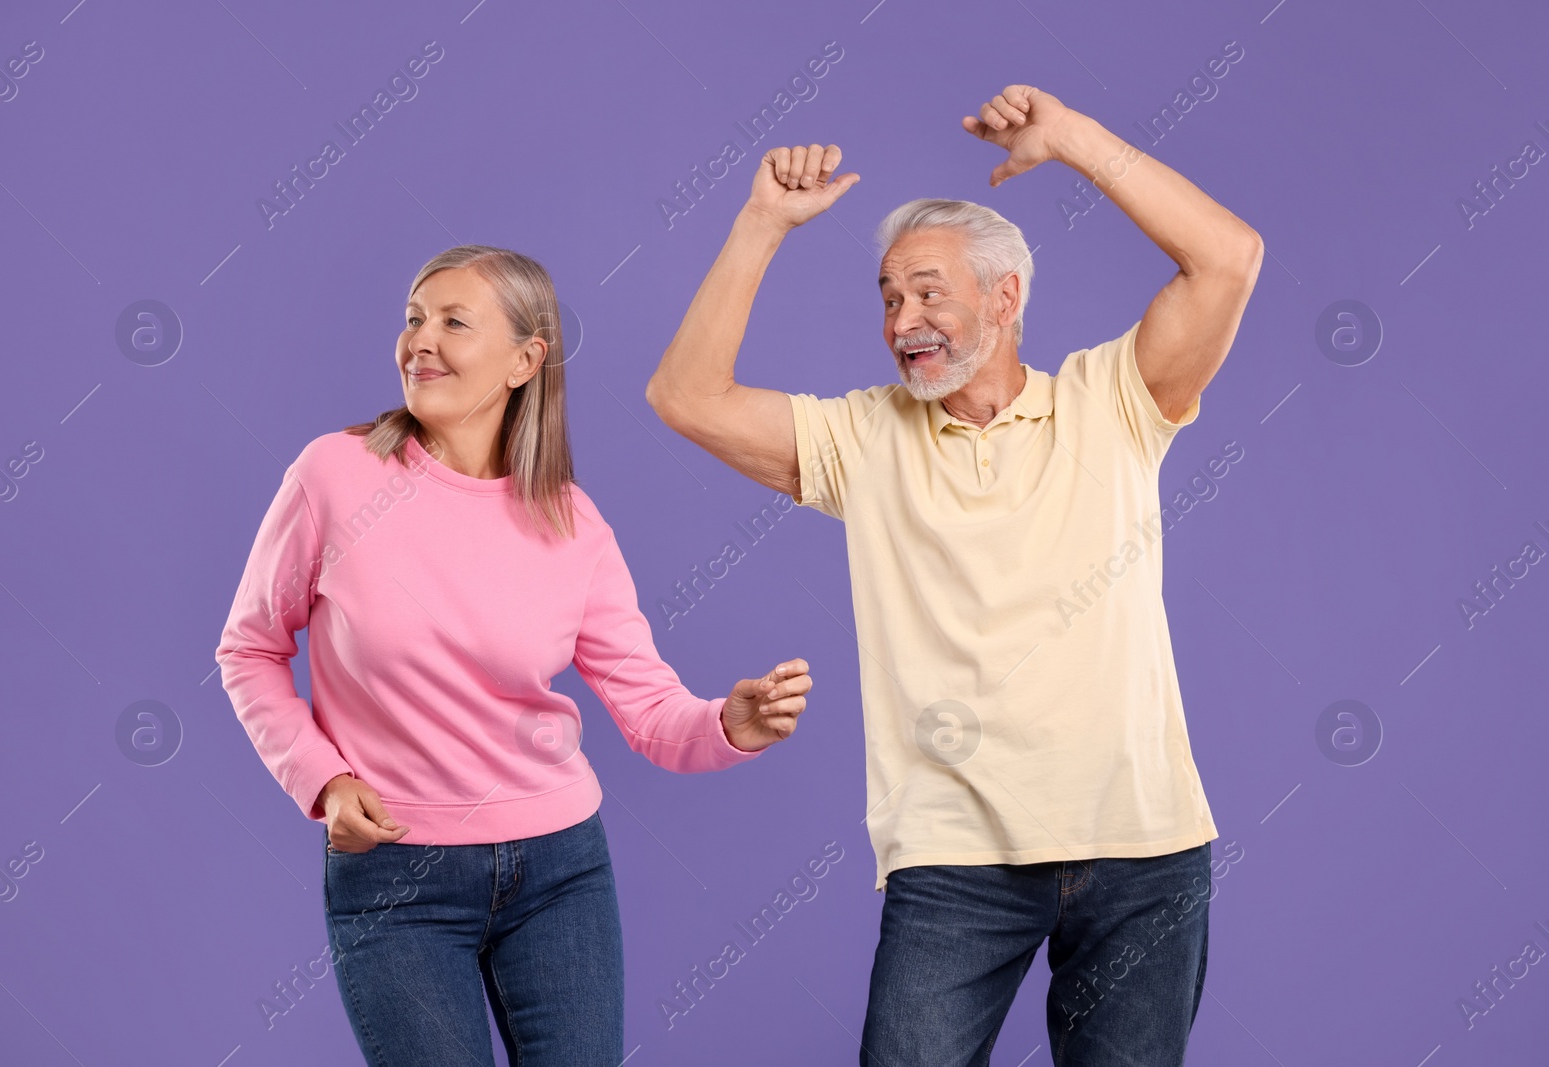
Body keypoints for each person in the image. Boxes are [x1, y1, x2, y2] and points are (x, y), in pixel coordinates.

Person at [645, 83, 1262, 1066]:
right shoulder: (862, 435)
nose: (903, 318)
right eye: (889, 297)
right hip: (953, 860)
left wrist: (1072, 140)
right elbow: (685, 394)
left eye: (929, 291)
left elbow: (1228, 256)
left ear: (1004, 296)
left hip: (1141, 847)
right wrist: (763, 221)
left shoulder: (1115, 401)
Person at [214, 244, 813, 1066]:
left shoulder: (571, 519)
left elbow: (648, 711)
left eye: (454, 322)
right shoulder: (335, 475)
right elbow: (248, 648)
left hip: (559, 872)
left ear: (526, 360)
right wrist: (322, 776)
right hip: (398, 877)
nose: (420, 340)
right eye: (413, 318)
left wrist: (728, 723)